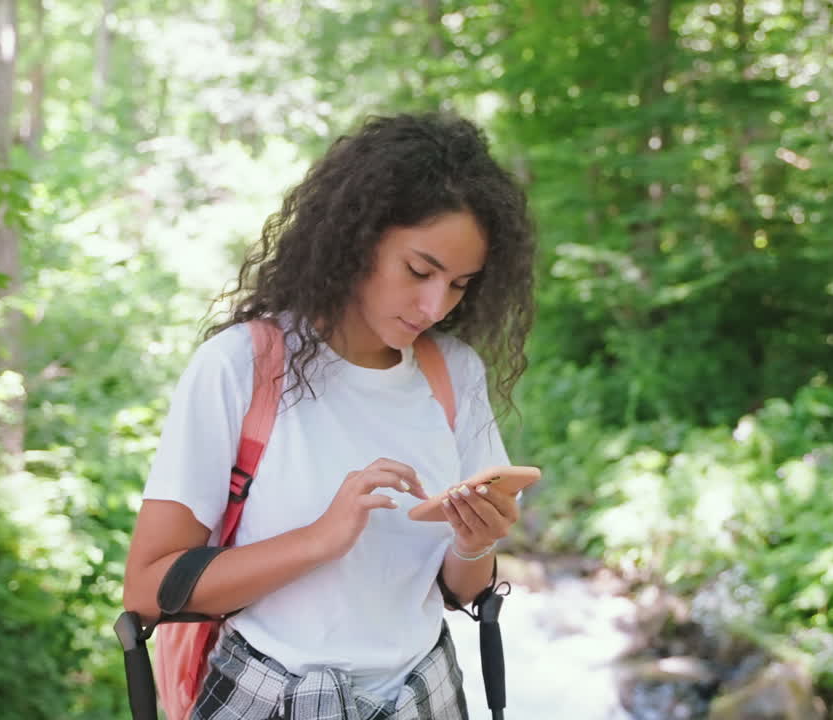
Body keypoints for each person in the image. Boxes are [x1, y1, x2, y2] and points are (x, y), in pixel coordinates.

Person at [122, 112, 535, 719]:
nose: (434, 305)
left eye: (459, 285)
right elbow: (148, 588)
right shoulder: (241, 367)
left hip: (427, 693)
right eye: (419, 271)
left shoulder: (455, 374)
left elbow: (462, 591)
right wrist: (319, 540)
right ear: (357, 238)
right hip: (269, 695)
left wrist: (474, 544)